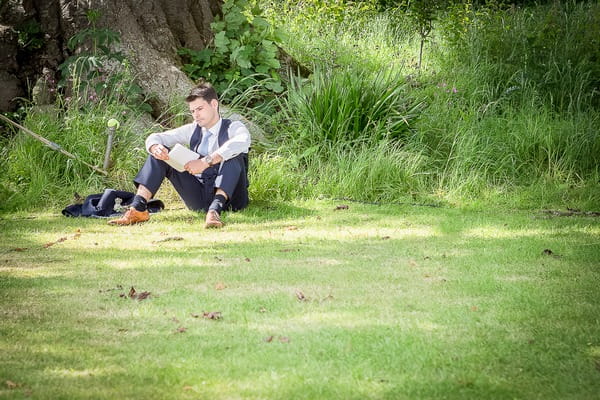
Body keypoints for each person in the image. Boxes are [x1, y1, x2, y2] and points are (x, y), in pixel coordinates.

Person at [108, 82, 250, 228]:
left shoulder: (233, 127)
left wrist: (206, 162)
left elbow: (242, 141)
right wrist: (155, 147)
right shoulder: (192, 129)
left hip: (231, 197)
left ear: (214, 104)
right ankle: (137, 209)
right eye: (193, 111)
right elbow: (156, 137)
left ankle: (214, 211)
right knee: (159, 154)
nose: (196, 115)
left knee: (233, 155)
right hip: (199, 195)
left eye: (200, 109)